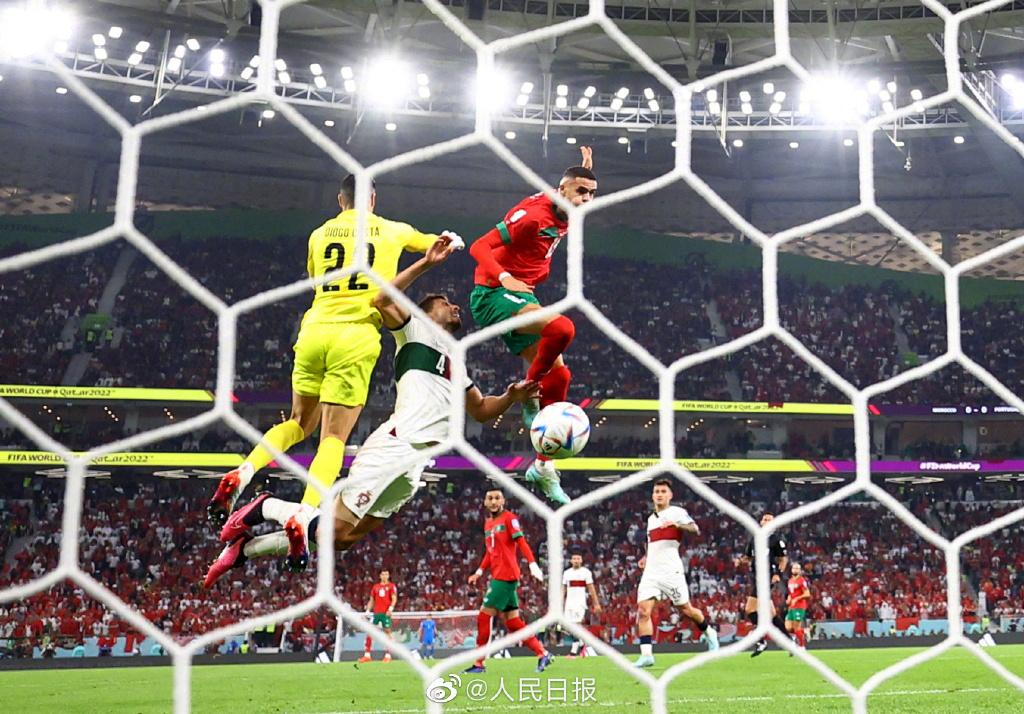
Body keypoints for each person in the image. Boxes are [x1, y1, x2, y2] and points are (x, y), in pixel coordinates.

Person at [203, 237, 538, 585]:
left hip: (418, 462)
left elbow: (481, 409)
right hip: (396, 445)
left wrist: (511, 396)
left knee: (342, 539)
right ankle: (266, 507)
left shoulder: (458, 359)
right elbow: (381, 299)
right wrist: (425, 263)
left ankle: (246, 549)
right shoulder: (414, 329)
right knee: (331, 529)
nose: (455, 306)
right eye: (445, 303)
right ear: (426, 311)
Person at [207, 174, 460, 526]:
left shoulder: (319, 234)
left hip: (314, 331)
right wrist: (450, 241)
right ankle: (304, 512)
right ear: (372, 199)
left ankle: (245, 470)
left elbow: (316, 277)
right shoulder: (393, 230)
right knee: (333, 438)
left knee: (298, 423)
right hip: (355, 336)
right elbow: (436, 243)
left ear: (341, 200)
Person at [468, 147, 597, 505]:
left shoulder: (569, 205)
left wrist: (585, 172)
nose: (586, 200)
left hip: (523, 295)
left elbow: (577, 187)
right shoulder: (532, 217)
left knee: (562, 376)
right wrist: (504, 277)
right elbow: (479, 247)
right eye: (581, 192)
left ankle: (542, 467)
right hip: (494, 293)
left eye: (592, 194)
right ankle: (529, 388)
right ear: (561, 189)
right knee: (563, 329)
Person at [464, 488, 553, 674]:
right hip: (498, 575)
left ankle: (479, 663)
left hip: (506, 576)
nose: (493, 501)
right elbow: (490, 552)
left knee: (484, 616)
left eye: (497, 498)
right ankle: (543, 653)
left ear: (503, 501)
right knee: (513, 622)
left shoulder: (509, 519)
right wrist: (479, 572)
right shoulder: (488, 524)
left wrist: (532, 564)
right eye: (490, 498)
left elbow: (521, 542)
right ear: (485, 502)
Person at [634, 479, 719, 667]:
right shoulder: (651, 519)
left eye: (663, 491)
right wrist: (646, 557)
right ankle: (647, 655)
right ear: (652, 495)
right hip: (651, 572)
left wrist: (676, 525)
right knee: (643, 611)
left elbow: (695, 529)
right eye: (656, 491)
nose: (659, 494)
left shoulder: (677, 512)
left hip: (671, 570)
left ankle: (709, 632)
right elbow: (652, 543)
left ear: (670, 495)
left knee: (686, 610)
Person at [736, 512, 790, 657]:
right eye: (764, 519)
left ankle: (761, 640)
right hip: (756, 577)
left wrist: (778, 574)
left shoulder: (776, 539)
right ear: (760, 522)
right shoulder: (755, 539)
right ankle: (790, 642)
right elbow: (748, 557)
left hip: (767, 577)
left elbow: (783, 559)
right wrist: (740, 561)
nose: (766, 521)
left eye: (769, 520)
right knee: (771, 614)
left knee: (750, 609)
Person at [561, 551, 601, 658]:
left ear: (581, 560)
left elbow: (591, 589)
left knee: (576, 626)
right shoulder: (567, 573)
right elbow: (563, 589)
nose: (576, 561)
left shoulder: (586, 572)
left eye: (578, 559)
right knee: (570, 626)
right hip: (569, 603)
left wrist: (596, 604)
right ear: (571, 561)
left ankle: (573, 652)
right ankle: (584, 646)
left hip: (580, 603)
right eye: (574, 559)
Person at [361, 569, 397, 663]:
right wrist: (368, 611)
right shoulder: (375, 587)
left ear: (388, 576)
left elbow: (394, 599)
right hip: (376, 613)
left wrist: (390, 609)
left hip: (385, 614)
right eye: (383, 574)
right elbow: (372, 600)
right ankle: (367, 655)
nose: (385, 576)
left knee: (387, 633)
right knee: (370, 632)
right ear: (380, 576)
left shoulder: (391, 586)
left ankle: (388, 655)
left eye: (386, 574)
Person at [785, 563, 811, 650]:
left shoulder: (802, 581)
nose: (795, 570)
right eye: (794, 568)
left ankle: (802, 646)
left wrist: (796, 598)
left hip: (799, 606)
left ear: (800, 571)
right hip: (792, 607)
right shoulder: (790, 581)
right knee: (788, 627)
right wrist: (789, 599)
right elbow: (790, 593)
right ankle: (804, 631)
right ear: (791, 570)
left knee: (796, 628)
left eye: (797, 568)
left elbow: (807, 593)